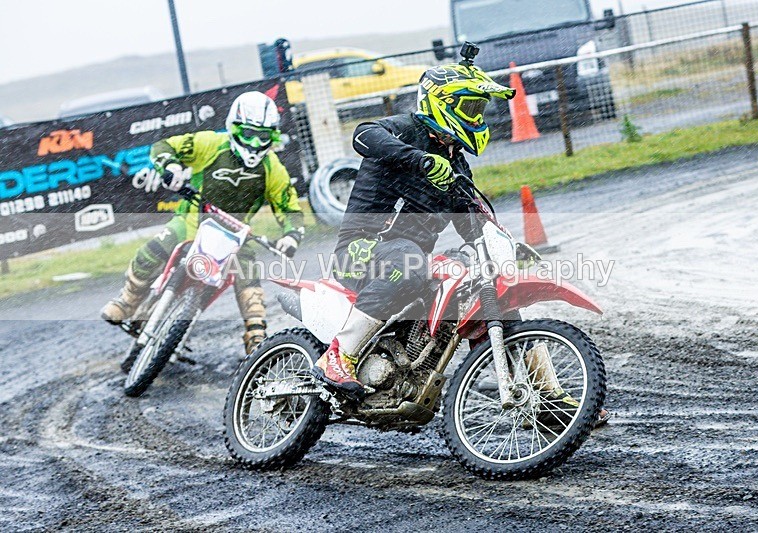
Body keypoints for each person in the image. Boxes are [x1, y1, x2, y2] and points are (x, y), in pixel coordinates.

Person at [311, 62, 515, 400]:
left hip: (409, 258)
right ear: (442, 102)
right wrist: (419, 160)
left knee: (487, 280)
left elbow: (470, 224)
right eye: (471, 107)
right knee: (409, 260)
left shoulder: (456, 164)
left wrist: (501, 249)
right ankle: (338, 356)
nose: (477, 116)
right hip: (361, 252)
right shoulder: (405, 130)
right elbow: (364, 134)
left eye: (481, 108)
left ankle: (546, 395)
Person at [101, 91, 305, 355]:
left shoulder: (273, 167)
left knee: (248, 275)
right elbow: (163, 147)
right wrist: (170, 167)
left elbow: (290, 207)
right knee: (153, 250)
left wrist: (291, 236)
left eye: (263, 136)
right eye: (249, 134)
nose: (255, 143)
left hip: (236, 234)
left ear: (272, 137)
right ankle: (127, 300)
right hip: (191, 221)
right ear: (234, 128)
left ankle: (256, 334)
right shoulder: (210, 143)